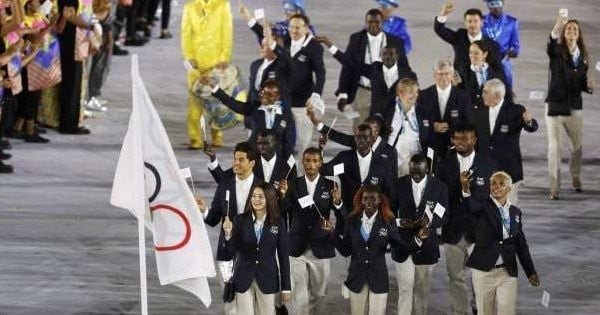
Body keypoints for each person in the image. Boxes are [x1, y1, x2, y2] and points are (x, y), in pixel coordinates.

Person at [330, 184, 428, 315]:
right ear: (361, 200)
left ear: (380, 200)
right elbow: (345, 250)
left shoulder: (388, 221)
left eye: (373, 198)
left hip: (378, 279)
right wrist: (332, 233)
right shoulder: (352, 220)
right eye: (365, 198)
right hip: (356, 278)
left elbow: (399, 249)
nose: (369, 202)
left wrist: (418, 240)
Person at [435, 124, 497, 315]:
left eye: (465, 139)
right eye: (456, 139)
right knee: (456, 277)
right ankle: (460, 311)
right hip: (453, 231)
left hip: (480, 231)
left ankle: (479, 308)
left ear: (474, 140)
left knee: (481, 276)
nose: (460, 143)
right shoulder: (444, 165)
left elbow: (493, 198)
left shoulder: (488, 165)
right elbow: (439, 197)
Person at [195, 142, 260, 315]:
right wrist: (204, 210)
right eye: (235, 159)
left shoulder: (262, 188)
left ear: (252, 163)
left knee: (248, 305)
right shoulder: (225, 185)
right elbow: (214, 219)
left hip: (252, 254)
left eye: (241, 159)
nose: (236, 163)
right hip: (226, 254)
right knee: (230, 304)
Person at [463, 171, 540, 315]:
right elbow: (470, 207)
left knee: (508, 312)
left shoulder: (515, 213)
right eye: (493, 183)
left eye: (501, 184)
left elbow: (521, 245)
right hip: (484, 271)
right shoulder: (482, 207)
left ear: (509, 189)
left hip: (507, 272)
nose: (496, 187)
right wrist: (466, 190)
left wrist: (530, 271)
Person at [286, 147, 345, 314]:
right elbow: (283, 212)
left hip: (321, 246)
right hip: (297, 248)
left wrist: (339, 203)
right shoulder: (293, 185)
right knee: (299, 296)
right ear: (302, 162)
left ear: (321, 163)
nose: (311, 165)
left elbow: (343, 217)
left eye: (315, 161)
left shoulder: (330, 185)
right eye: (307, 161)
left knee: (319, 295)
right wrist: (282, 196)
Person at [331, 9, 411, 127]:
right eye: (370, 22)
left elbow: (404, 68)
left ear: (382, 22)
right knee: (360, 130)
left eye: (377, 22)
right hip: (362, 92)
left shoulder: (396, 41)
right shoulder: (356, 39)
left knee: (385, 128)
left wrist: (409, 91)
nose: (373, 25)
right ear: (365, 22)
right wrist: (343, 92)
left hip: (386, 94)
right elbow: (348, 66)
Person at [222, 182, 291, 315]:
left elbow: (283, 257)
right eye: (254, 196)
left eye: (261, 196)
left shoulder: (278, 222)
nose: (256, 199)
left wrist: (286, 288)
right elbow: (230, 251)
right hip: (243, 278)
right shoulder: (240, 220)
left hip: (268, 279)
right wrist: (228, 234)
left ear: (269, 198)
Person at [391, 154, 448, 315]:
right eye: (412, 172)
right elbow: (389, 214)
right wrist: (399, 221)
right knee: (405, 289)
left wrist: (430, 224)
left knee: (422, 291)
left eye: (419, 173)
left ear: (427, 169)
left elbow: (444, 215)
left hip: (427, 246)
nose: (415, 176)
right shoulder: (398, 184)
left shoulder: (439, 187)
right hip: (403, 245)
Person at [545, 16, 594, 200]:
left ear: (579, 34)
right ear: (564, 34)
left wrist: (588, 86)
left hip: (574, 106)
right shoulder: (556, 51)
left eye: (574, 29)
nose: (571, 32)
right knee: (554, 148)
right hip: (556, 106)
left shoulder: (583, 58)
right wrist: (558, 24)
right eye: (568, 29)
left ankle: (575, 177)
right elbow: (551, 42)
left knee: (577, 147)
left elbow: (581, 83)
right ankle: (554, 187)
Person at [473, 79, 538, 204]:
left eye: (486, 92)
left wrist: (529, 122)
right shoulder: (479, 111)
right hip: (485, 170)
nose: (482, 95)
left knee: (508, 209)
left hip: (508, 171)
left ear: (497, 95)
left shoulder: (515, 111)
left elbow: (531, 127)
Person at [181, 0, 232, 149]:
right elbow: (186, 35)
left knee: (216, 101)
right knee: (194, 101)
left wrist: (224, 58)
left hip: (216, 64)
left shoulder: (223, 5)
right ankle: (195, 138)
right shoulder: (189, 8)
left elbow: (227, 32)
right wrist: (189, 58)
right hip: (196, 65)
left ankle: (217, 136)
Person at [203, 78, 294, 159]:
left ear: (277, 97)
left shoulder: (286, 115)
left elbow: (288, 141)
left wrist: (287, 160)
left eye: (269, 94)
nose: (264, 97)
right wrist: (214, 87)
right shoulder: (253, 109)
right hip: (253, 155)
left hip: (276, 157)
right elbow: (232, 103)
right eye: (263, 93)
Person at [307, 108, 398, 178]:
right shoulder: (346, 160)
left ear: (376, 132)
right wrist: (320, 148)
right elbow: (326, 171)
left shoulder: (389, 152)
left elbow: (393, 180)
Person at [321, 123, 395, 208]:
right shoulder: (344, 158)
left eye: (365, 137)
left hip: (373, 214)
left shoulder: (382, 163)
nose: (361, 140)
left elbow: (389, 192)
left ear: (372, 138)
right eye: (358, 137)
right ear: (355, 138)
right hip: (347, 213)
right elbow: (324, 170)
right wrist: (321, 148)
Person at [418, 59, 472, 170]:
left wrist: (455, 134)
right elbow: (418, 119)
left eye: (447, 73)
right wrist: (432, 126)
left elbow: (468, 122)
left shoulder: (463, 96)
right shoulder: (423, 95)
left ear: (452, 74)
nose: (443, 77)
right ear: (434, 75)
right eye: (440, 74)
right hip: (430, 148)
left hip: (454, 148)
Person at [56, 0, 96, 135]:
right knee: (71, 86)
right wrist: (90, 26)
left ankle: (71, 121)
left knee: (73, 85)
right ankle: (68, 124)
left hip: (74, 46)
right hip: (70, 45)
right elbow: (71, 17)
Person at [434, 2, 501, 79]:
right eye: (469, 21)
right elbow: (439, 29)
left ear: (482, 23)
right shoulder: (459, 37)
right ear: (465, 23)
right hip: (460, 85)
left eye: (475, 21)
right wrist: (443, 14)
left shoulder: (492, 45)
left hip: (482, 86)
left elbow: (498, 71)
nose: (472, 25)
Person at [382, 78, 431, 176]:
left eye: (416, 92)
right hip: (391, 157)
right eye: (410, 92)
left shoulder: (422, 110)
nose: (415, 95)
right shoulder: (388, 108)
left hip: (414, 158)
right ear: (400, 93)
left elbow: (427, 135)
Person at [482, 0, 520, 89]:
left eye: (498, 4)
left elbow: (515, 45)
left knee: (506, 85)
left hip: (503, 61)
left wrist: (512, 52)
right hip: (486, 61)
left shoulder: (512, 22)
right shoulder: (482, 21)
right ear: (488, 6)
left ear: (503, 4)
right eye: (492, 4)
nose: (495, 8)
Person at [460, 40, 508, 109]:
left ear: (485, 54)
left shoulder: (496, 72)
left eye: (476, 53)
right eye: (471, 53)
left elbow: (505, 94)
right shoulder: (463, 71)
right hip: (471, 114)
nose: (472, 56)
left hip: (491, 112)